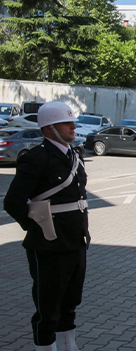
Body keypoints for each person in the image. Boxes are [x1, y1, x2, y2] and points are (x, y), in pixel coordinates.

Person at [4, 101, 90, 351]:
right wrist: (37, 227)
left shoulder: (75, 155)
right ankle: (45, 347)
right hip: (49, 244)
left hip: (76, 239)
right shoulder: (36, 158)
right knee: (48, 304)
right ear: (50, 128)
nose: (74, 127)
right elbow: (13, 202)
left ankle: (68, 345)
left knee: (71, 299)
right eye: (67, 123)